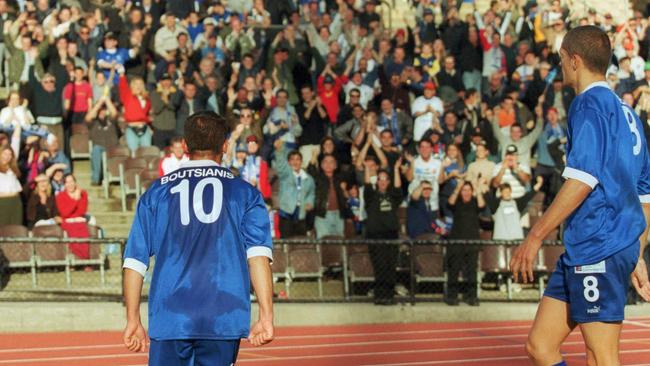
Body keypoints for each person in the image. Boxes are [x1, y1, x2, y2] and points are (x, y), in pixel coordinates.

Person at [509, 26, 650, 366]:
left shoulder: (587, 105)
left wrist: (534, 236)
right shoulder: (628, 114)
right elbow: (644, 193)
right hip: (595, 245)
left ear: (574, 61)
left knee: (601, 356)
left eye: (561, 60)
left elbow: (582, 180)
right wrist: (637, 248)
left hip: (597, 244)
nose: (560, 67)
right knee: (540, 345)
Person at [122, 112, 274, 363]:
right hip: (223, 314)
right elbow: (258, 256)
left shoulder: (157, 193)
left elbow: (135, 261)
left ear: (184, 145)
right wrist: (266, 316)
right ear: (225, 146)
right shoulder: (245, 194)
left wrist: (132, 319)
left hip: (170, 315)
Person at [364, 159, 403, 305]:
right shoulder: (371, 196)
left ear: (388, 182)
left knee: (390, 266)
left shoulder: (393, 197)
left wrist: (396, 169)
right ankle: (380, 296)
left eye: (385, 180)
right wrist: (367, 168)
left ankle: (389, 296)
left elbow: (398, 188)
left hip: (391, 235)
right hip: (375, 236)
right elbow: (367, 185)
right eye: (379, 180)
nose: (382, 182)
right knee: (379, 266)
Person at [445, 180, 487, 306]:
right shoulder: (456, 202)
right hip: (456, 241)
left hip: (472, 241)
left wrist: (477, 190)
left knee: (471, 271)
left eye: (468, 190)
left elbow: (482, 206)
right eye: (464, 190)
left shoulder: (475, 202)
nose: (466, 192)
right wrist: (458, 188)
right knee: (454, 270)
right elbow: (449, 203)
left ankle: (472, 297)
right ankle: (452, 296)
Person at [55, 174, 90, 260]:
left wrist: (78, 197)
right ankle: (79, 259)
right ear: (64, 184)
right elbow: (65, 213)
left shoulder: (83, 193)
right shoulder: (60, 196)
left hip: (79, 220)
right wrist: (75, 200)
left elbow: (82, 211)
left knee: (83, 233)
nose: (70, 184)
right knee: (73, 234)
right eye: (67, 182)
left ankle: (84, 259)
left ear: (75, 182)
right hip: (67, 222)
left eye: (71, 181)